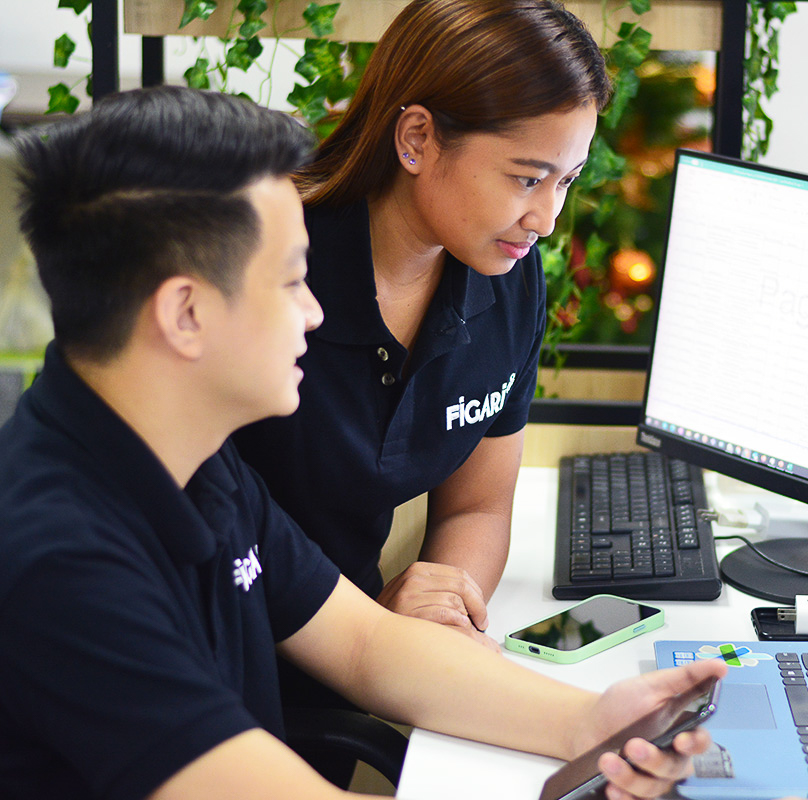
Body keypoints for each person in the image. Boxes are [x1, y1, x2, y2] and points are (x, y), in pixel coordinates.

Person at [0, 84, 727, 800]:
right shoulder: (59, 558)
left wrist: (592, 724)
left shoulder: (194, 460)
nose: (314, 312)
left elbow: (365, 645)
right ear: (185, 314)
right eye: (291, 281)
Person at [233, 0, 608, 651]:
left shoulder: (508, 276)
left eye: (567, 181)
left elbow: (477, 506)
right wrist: (380, 633)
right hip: (230, 643)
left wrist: (442, 610)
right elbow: (200, 525)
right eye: (527, 179)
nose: (547, 220)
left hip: (366, 647)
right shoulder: (269, 261)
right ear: (416, 140)